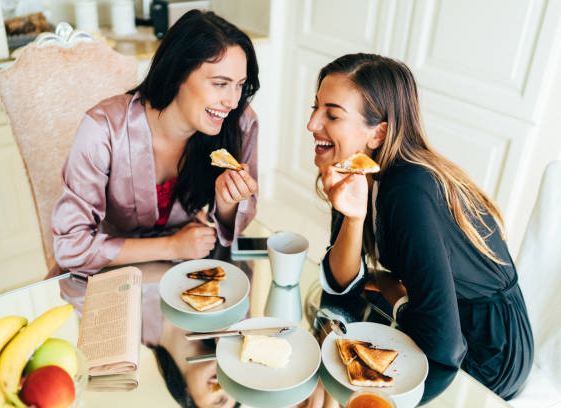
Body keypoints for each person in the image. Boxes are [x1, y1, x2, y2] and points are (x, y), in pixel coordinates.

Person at [310, 53, 533, 401]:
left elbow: (443, 344)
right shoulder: (358, 171)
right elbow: (341, 284)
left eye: (331, 114)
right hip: (440, 315)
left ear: (378, 133)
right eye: (315, 107)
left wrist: (397, 296)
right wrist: (353, 218)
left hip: (488, 351)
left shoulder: (408, 190)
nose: (312, 123)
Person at [52, 10, 259, 273]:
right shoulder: (102, 130)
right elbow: (71, 247)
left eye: (240, 85)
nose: (232, 101)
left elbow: (233, 226)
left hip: (187, 272)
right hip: (112, 273)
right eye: (220, 84)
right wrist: (171, 246)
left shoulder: (240, 122)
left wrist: (227, 201)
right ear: (177, 74)